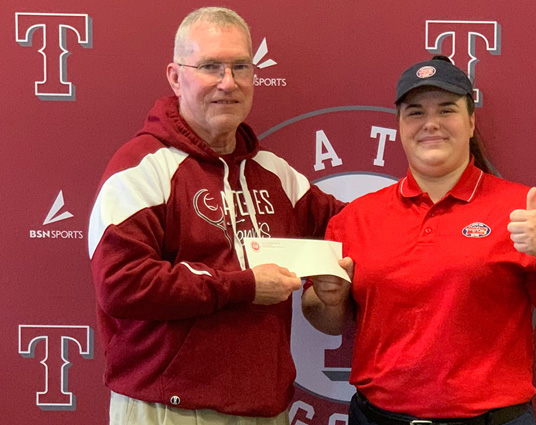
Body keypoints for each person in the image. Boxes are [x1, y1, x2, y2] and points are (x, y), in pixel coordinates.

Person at [301, 56, 536, 425]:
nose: (431, 123)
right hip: (376, 419)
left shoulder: (523, 209)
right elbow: (326, 320)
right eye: (415, 113)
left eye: (447, 110)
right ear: (399, 126)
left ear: (471, 122)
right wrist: (330, 301)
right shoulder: (356, 218)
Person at [87, 7, 344, 425]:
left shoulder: (274, 174)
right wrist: (244, 286)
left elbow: (351, 224)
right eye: (210, 67)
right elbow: (123, 284)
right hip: (167, 410)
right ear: (176, 77)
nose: (229, 82)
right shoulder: (142, 168)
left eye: (241, 66)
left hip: (266, 410)